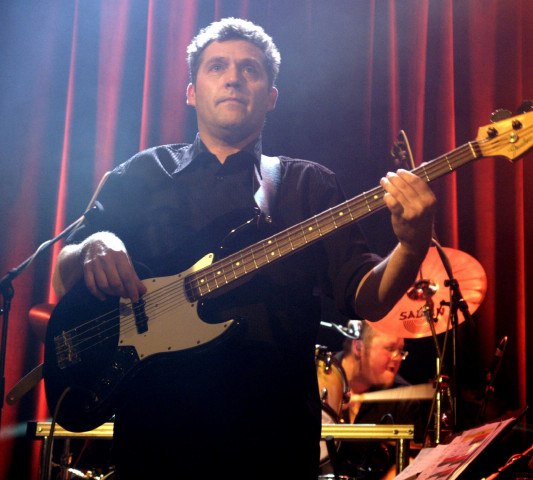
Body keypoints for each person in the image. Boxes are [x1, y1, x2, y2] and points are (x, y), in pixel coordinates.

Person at [51, 17, 436, 479]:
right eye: (217, 66)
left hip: (274, 445)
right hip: (155, 440)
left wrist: (412, 244)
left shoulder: (307, 185)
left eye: (250, 68)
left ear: (271, 97)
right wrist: (94, 244)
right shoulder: (142, 174)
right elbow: (63, 276)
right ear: (191, 91)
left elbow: (368, 299)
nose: (233, 77)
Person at [322, 321, 426, 479]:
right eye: (390, 349)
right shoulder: (317, 377)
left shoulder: (403, 397)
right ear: (359, 348)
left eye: (401, 351)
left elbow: (411, 462)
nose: (398, 357)